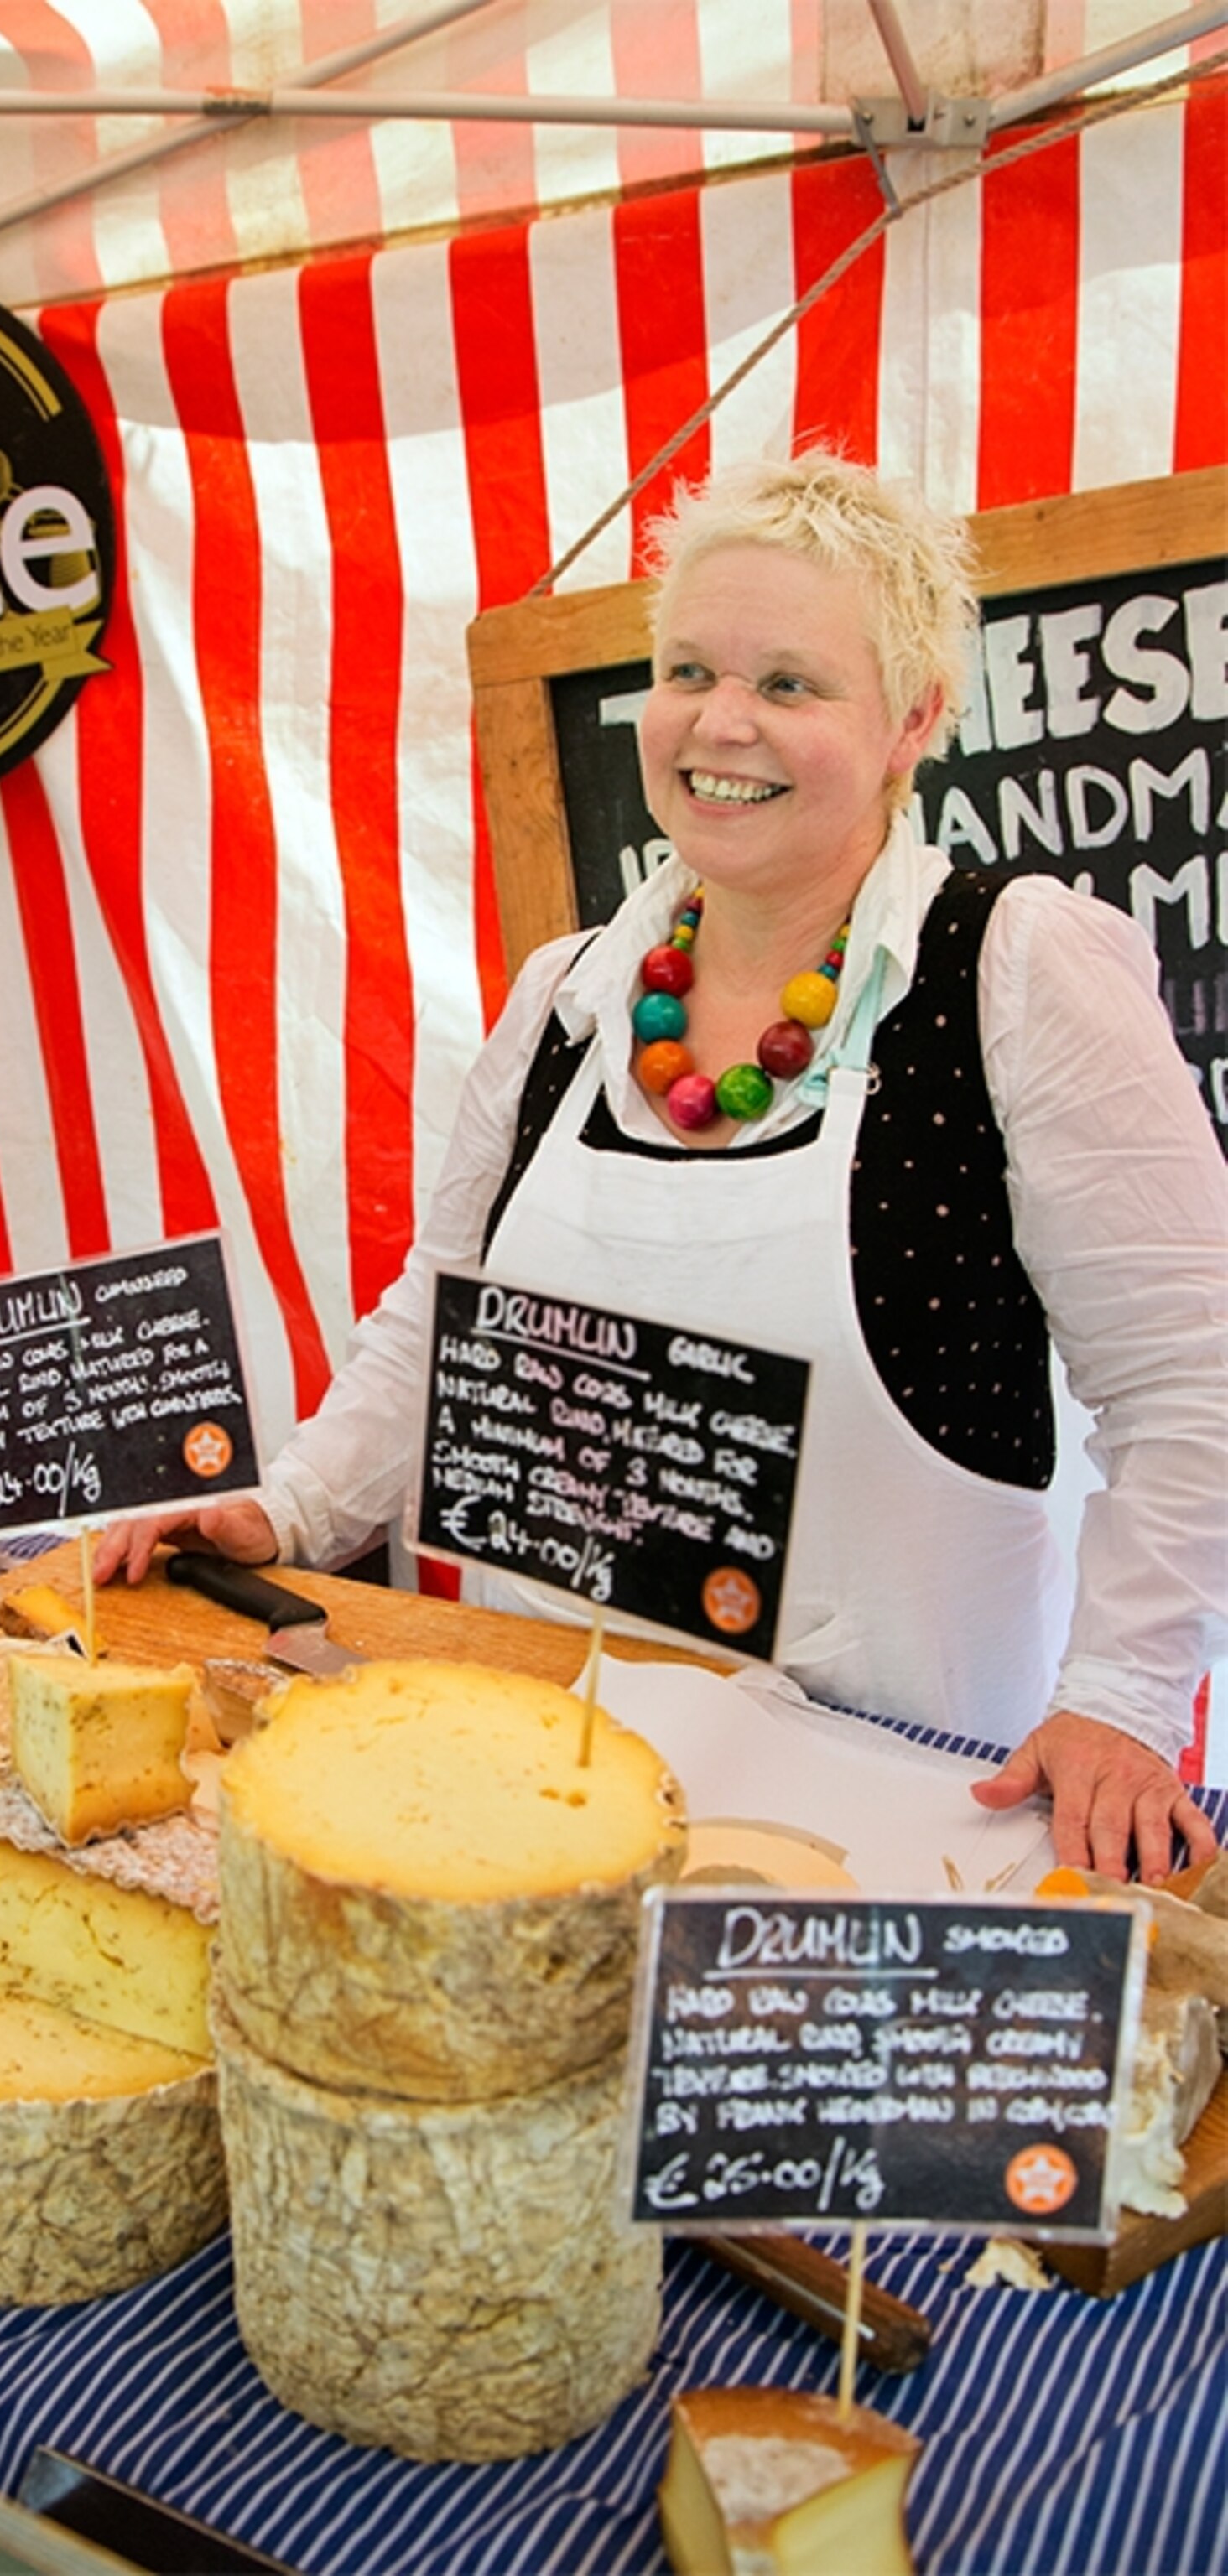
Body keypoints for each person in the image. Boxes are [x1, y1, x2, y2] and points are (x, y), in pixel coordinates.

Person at [96, 454, 1226, 1885]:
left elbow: (1191, 1377)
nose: (720, 723)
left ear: (913, 720)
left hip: (900, 1799)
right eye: (689, 670)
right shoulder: (567, 997)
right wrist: (296, 1505)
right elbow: (448, 1308)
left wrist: (1121, 1701)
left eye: (790, 684)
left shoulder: (1015, 967)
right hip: (552, 1763)